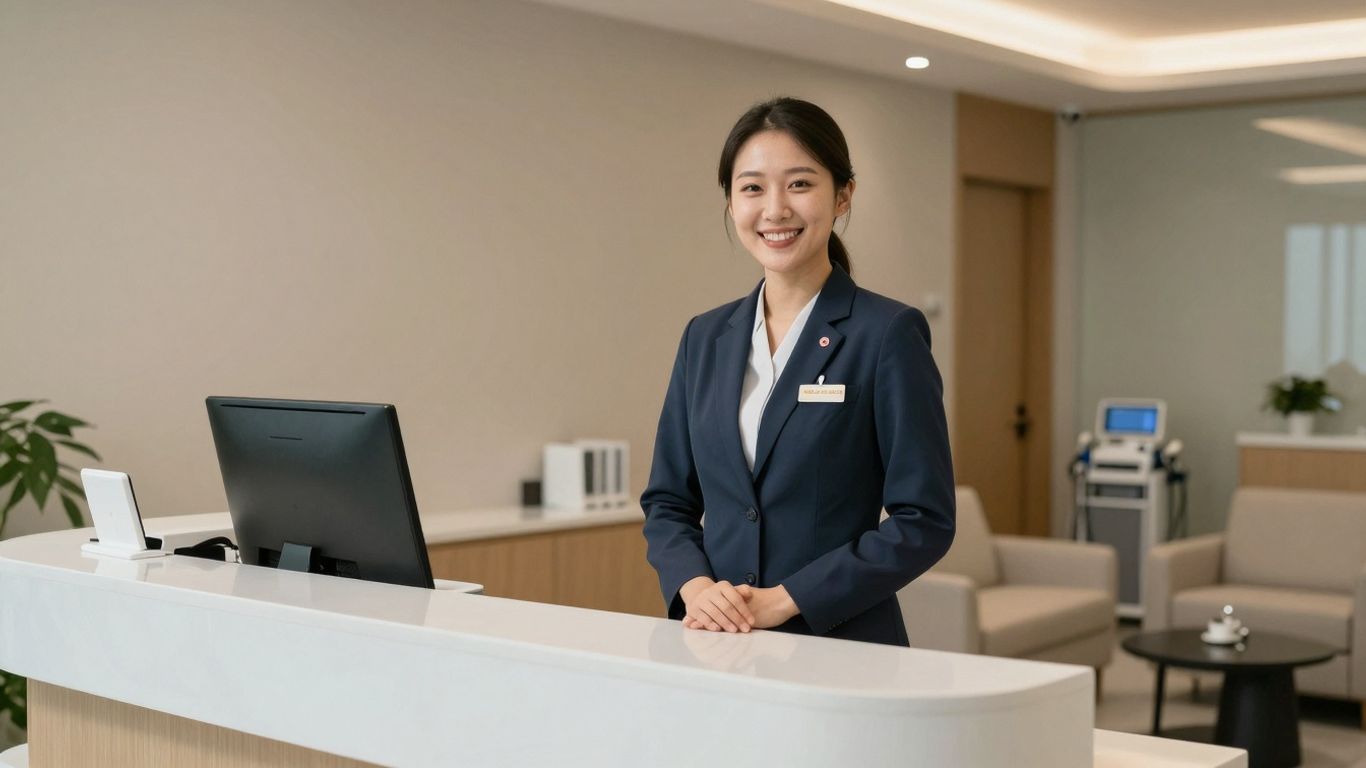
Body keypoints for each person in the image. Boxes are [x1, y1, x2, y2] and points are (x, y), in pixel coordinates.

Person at [640, 97, 956, 647]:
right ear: (732, 202)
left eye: (800, 184)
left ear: (843, 196)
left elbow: (923, 520)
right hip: (717, 643)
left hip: (841, 644)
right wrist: (694, 585)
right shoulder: (704, 337)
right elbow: (668, 501)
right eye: (753, 187)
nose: (775, 209)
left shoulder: (886, 334)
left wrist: (785, 600)